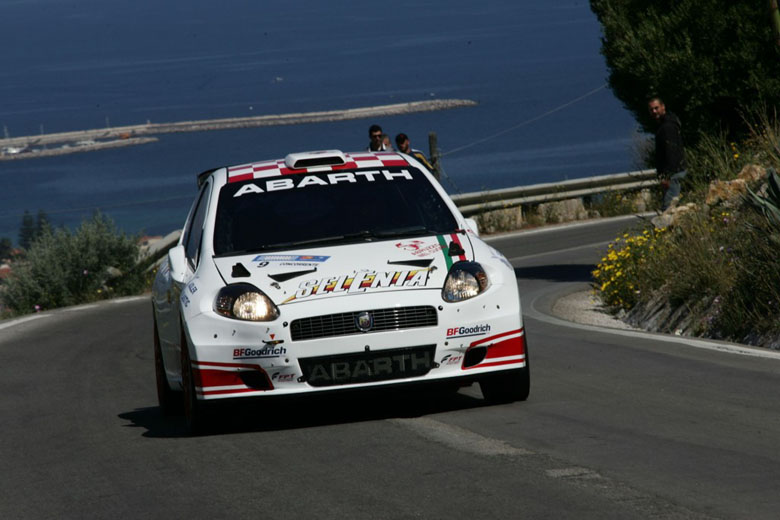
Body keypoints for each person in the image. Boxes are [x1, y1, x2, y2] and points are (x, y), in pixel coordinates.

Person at [648, 97, 686, 210]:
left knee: (668, 209)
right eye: (651, 110)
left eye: (656, 108)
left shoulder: (667, 127)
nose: (654, 111)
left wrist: (667, 176)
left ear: (663, 107)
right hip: (675, 172)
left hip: (673, 174)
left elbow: (671, 152)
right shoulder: (665, 125)